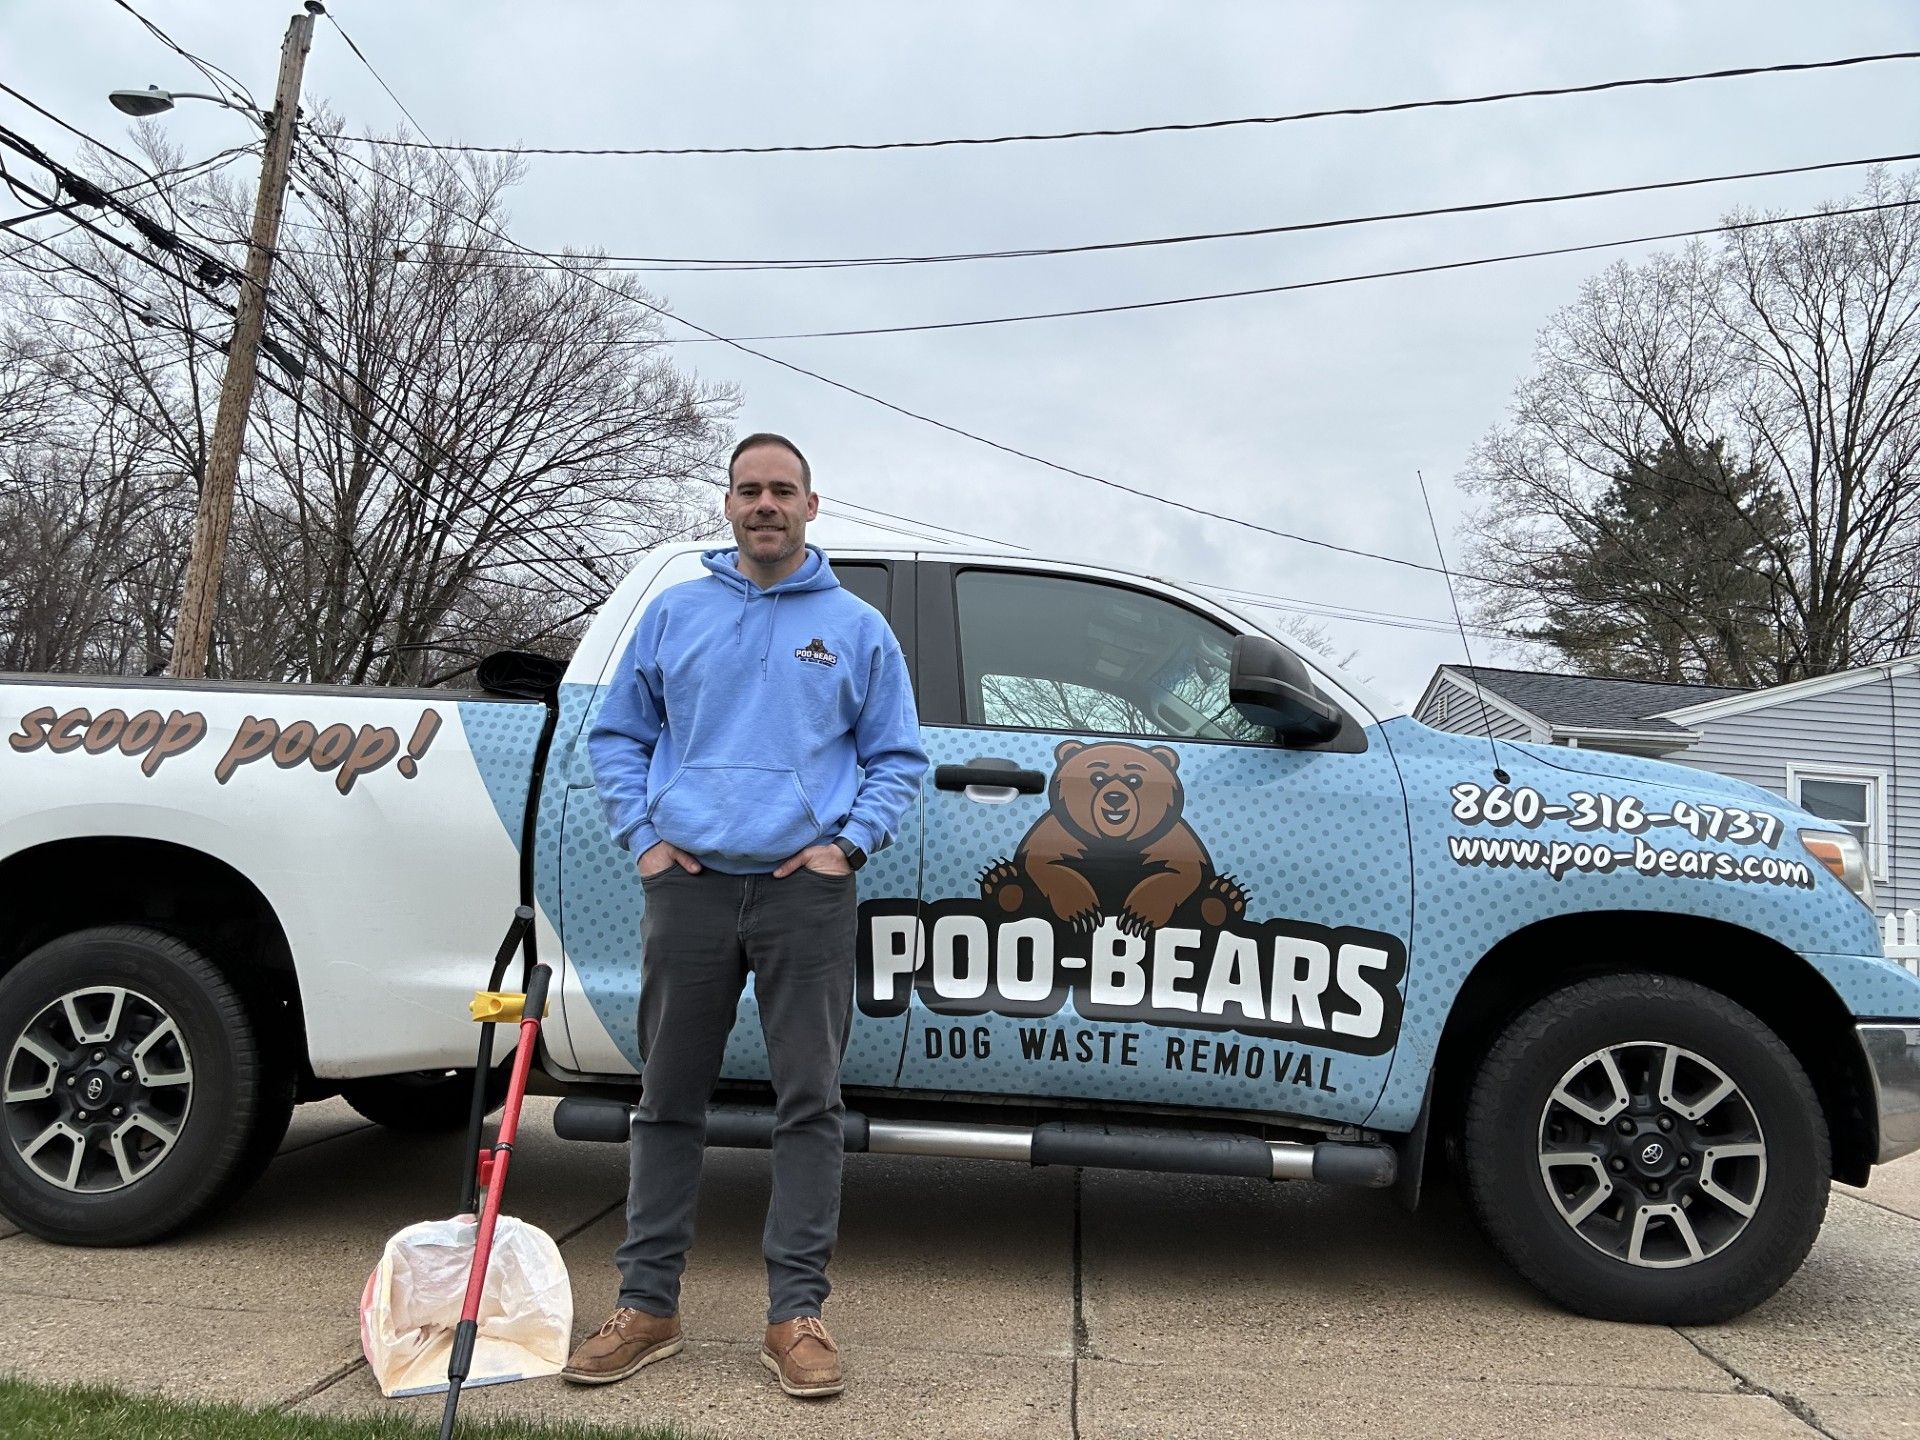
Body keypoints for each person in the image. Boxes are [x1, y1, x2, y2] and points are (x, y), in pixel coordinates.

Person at [567, 432, 927, 1400]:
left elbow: (898, 758)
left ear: (813, 506)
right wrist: (644, 839)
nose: (764, 503)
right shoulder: (675, 614)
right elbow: (616, 736)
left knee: (808, 1105)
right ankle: (647, 1305)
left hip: (804, 896)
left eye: (782, 490)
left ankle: (795, 1316)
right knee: (666, 1099)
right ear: (726, 507)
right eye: (748, 490)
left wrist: (845, 847)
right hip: (687, 886)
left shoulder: (856, 630)